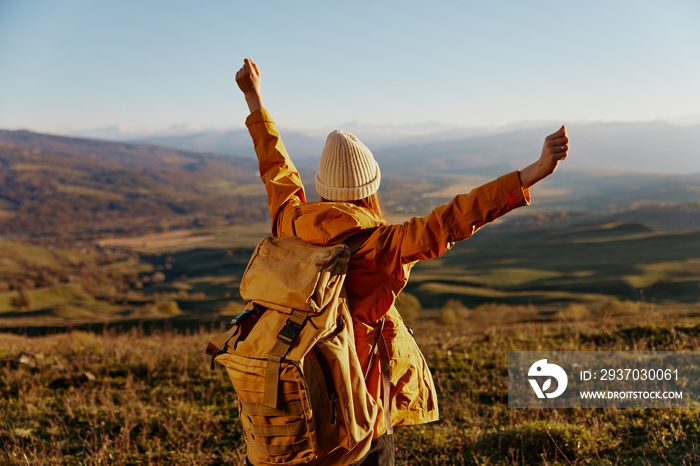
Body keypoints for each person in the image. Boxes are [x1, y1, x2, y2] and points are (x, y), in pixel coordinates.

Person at [235, 58, 569, 466]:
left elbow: (276, 170)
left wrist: (254, 96)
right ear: (371, 188)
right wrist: (531, 173)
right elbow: (450, 221)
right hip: (359, 418)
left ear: (321, 187)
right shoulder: (380, 244)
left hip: (296, 407)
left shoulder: (290, 220)